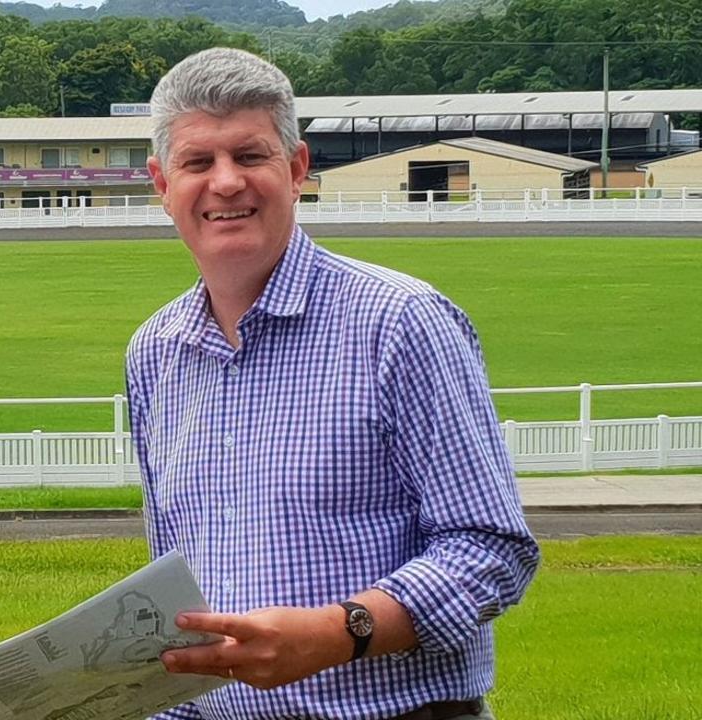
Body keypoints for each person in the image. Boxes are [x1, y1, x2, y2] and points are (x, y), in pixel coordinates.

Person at [126, 48, 540, 720]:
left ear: (296, 169)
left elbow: (490, 549)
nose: (226, 182)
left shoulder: (401, 323)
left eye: (251, 156)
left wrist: (337, 634)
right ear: (161, 183)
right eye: (198, 163)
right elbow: (180, 592)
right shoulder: (156, 353)